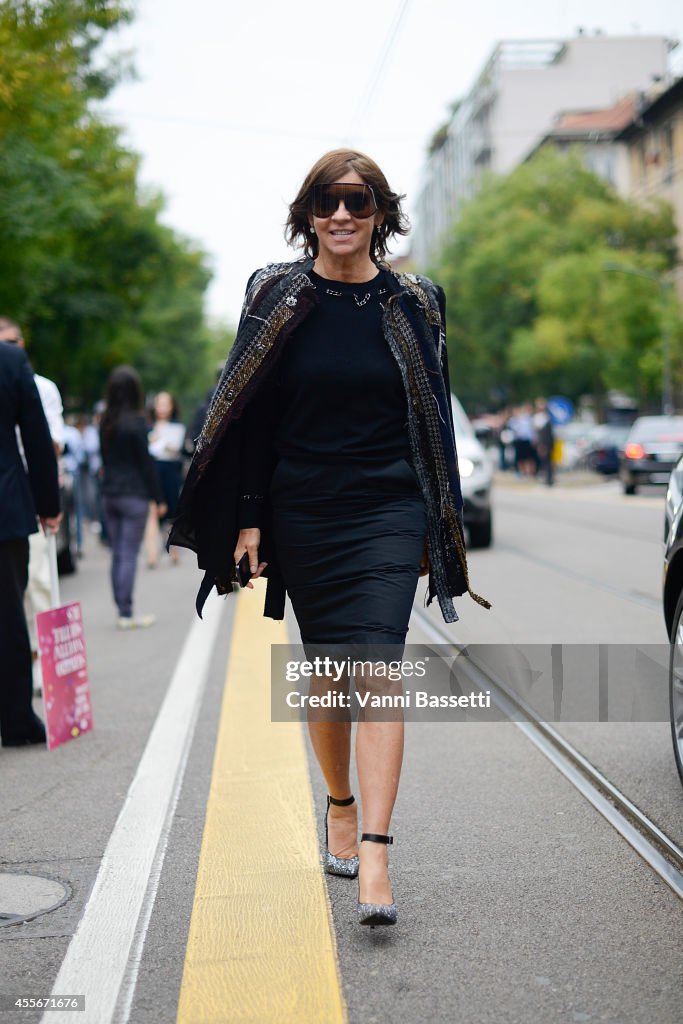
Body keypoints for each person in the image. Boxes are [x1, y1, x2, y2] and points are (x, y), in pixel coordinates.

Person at [169, 149, 489, 928]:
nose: (340, 215)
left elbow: (433, 420)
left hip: (389, 505)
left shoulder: (417, 300)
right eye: (324, 202)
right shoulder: (275, 294)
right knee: (326, 674)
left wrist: (435, 526)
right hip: (305, 507)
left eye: (357, 201)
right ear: (305, 214)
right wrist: (248, 516)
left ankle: (375, 853)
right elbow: (247, 414)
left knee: (376, 668)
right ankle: (338, 805)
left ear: (381, 214)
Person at [0, 339, 61, 745]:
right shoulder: (10, 359)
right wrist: (48, 504)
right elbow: (37, 436)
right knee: (7, 616)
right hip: (6, 509)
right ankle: (17, 719)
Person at [99, 366, 165, 630]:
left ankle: (122, 609)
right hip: (134, 494)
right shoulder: (137, 422)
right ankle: (126, 613)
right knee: (128, 554)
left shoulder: (105, 421)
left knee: (118, 553)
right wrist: (158, 497)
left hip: (109, 493)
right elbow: (146, 464)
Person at [144, 391, 186, 567]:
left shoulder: (178, 426)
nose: (162, 408)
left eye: (165, 404)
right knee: (152, 511)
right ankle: (152, 554)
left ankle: (172, 549)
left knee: (170, 513)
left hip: (170, 471)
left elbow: (177, 449)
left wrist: (159, 439)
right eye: (159, 404)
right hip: (152, 470)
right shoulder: (147, 425)